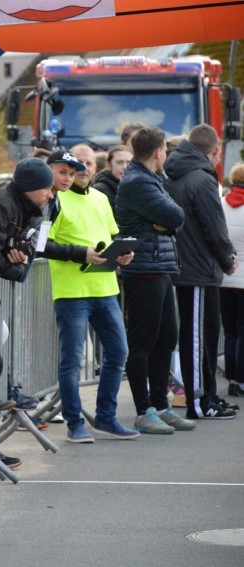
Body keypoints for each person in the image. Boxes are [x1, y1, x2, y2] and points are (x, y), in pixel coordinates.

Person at [41, 149, 141, 442]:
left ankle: (106, 418)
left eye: (85, 164)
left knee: (119, 352)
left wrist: (123, 254)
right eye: (73, 167)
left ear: (95, 168)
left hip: (106, 289)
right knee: (71, 360)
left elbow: (112, 237)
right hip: (72, 293)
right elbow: (42, 244)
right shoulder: (55, 200)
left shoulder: (101, 198)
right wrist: (79, 254)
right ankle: (75, 423)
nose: (80, 170)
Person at [0, 157, 56, 469]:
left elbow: (29, 250)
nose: (51, 193)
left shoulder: (33, 209)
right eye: (46, 187)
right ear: (30, 188)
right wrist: (15, 266)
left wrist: (17, 257)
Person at [165, 124, 239, 420]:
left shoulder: (182, 173)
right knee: (198, 338)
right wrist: (226, 257)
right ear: (216, 151)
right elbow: (214, 226)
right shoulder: (201, 179)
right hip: (197, 267)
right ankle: (199, 402)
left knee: (205, 337)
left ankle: (207, 396)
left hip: (194, 265)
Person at [115, 126, 185, 434]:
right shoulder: (138, 182)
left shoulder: (152, 179)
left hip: (159, 265)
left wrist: (164, 224)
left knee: (166, 337)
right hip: (143, 268)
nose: (167, 155)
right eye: (165, 151)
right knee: (143, 342)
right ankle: (144, 410)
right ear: (158, 152)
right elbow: (177, 216)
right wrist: (162, 223)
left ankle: (161, 405)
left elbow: (171, 219)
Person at [221, 163, 244, 398]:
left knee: (230, 331)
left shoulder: (221, 204)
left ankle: (232, 379)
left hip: (224, 277)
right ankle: (242, 379)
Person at [92, 145, 132, 211]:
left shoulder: (138, 187)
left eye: (129, 163)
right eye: (119, 162)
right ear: (109, 165)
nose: (125, 167)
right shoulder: (99, 190)